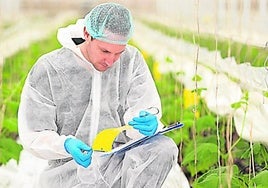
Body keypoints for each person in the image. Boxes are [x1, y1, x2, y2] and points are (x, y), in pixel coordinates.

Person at [18, 3, 178, 188]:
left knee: (163, 148)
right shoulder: (50, 68)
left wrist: (145, 122)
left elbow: (141, 106)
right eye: (105, 51)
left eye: (119, 53)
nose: (111, 61)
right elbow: (34, 133)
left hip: (119, 165)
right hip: (71, 172)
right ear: (87, 34)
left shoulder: (132, 61)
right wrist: (65, 144)